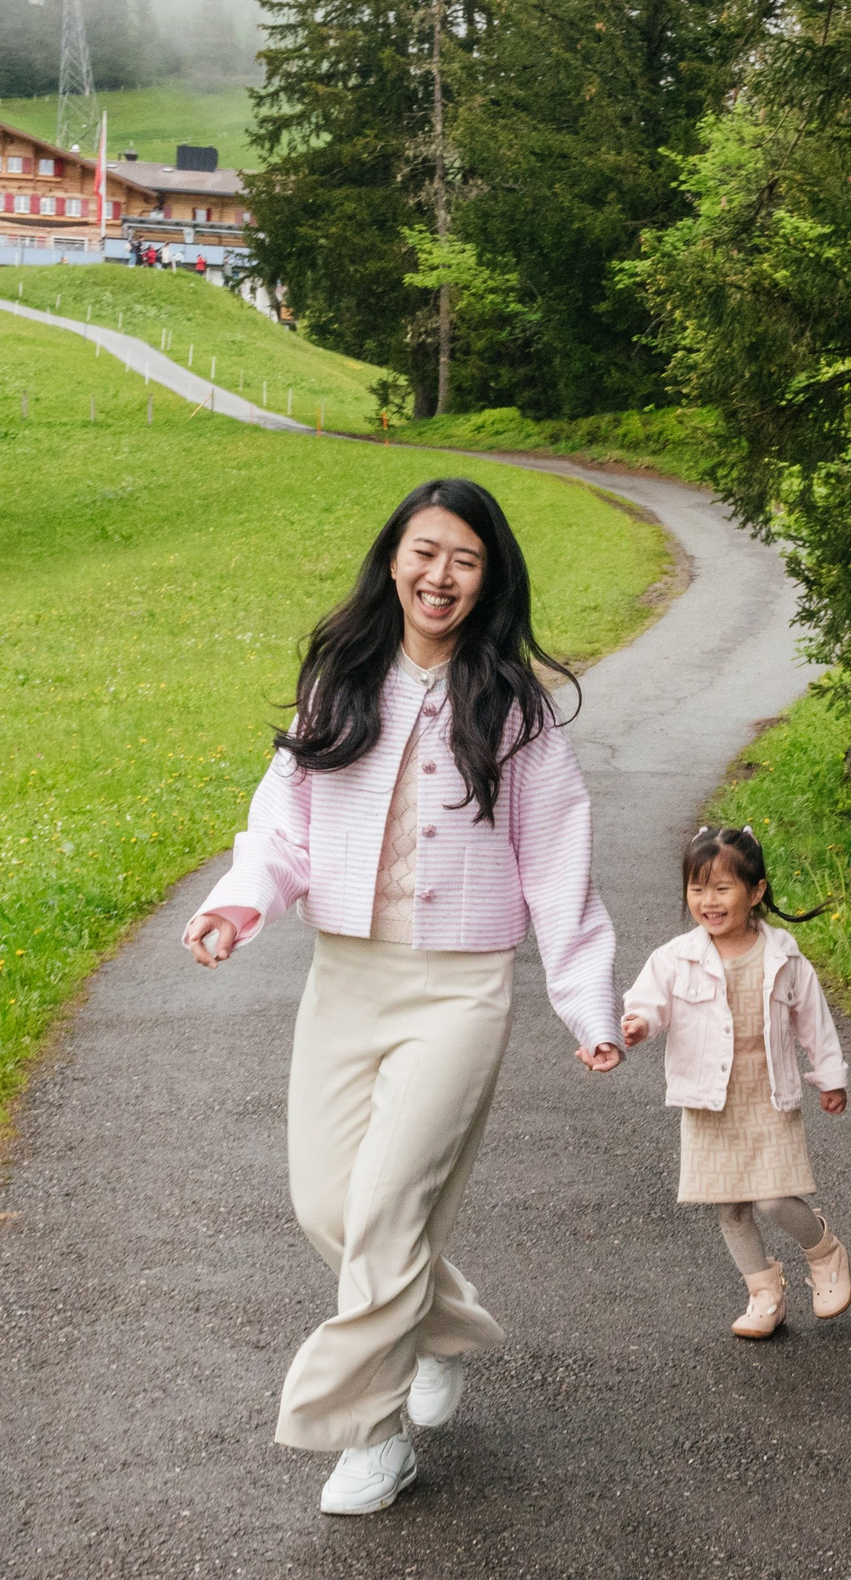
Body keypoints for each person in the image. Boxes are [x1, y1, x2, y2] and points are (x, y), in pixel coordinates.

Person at [184, 478, 624, 1515]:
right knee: (325, 1206)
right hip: (345, 979)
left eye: (465, 559)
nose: (441, 575)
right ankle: (439, 1325)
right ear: (393, 558)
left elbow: (558, 864)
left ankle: (369, 1435)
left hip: (458, 993)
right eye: (426, 551)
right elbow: (281, 828)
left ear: (488, 579)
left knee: (384, 1211)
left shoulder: (514, 712)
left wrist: (588, 1002)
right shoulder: (338, 683)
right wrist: (236, 906)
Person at [622, 826, 851, 1339]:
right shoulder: (674, 957)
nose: (708, 901)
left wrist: (830, 1078)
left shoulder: (784, 957)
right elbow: (648, 1004)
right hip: (709, 1100)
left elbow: (814, 1022)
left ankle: (824, 1252)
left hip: (767, 1095)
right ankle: (764, 1294)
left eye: (722, 888)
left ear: (756, 891)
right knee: (729, 1205)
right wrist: (638, 1025)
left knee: (773, 1198)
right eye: (697, 889)